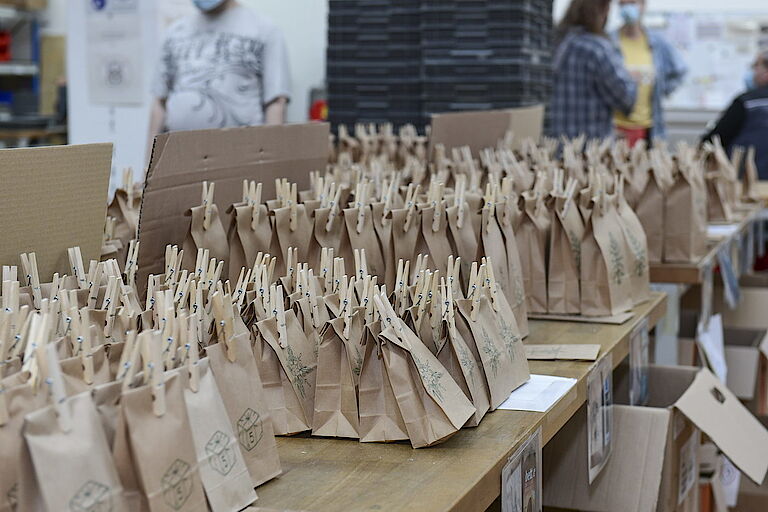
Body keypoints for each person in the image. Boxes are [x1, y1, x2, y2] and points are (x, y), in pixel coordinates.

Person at [148, 0, 291, 141]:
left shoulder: (264, 30)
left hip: (243, 150)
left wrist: (272, 153)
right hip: (178, 150)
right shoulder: (174, 32)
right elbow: (159, 102)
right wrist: (150, 156)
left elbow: (275, 102)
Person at [545, 0, 637, 140]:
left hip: (553, 146)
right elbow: (626, 99)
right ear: (602, 9)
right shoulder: (598, 49)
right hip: (592, 147)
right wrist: (631, 78)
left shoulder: (554, 43)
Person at [612, 0, 687, 146]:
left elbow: (680, 70)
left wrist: (662, 89)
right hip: (615, 126)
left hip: (649, 127)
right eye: (623, 4)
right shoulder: (609, 41)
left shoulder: (657, 43)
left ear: (643, 5)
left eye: (632, 2)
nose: (628, 7)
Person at [702, 51, 768, 178]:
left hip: (748, 178)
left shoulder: (747, 102)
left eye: (756, 66)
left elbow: (717, 138)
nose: (753, 71)